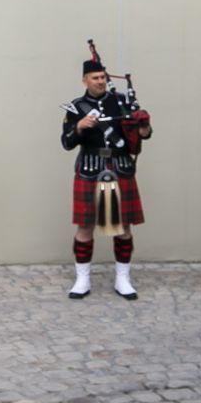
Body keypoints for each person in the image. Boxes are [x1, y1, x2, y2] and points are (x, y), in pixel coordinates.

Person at [61, 58, 152, 299]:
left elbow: (141, 134)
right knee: (85, 226)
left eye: (103, 77)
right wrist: (79, 126)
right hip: (90, 167)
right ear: (85, 81)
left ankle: (123, 279)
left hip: (120, 166)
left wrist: (145, 128)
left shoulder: (122, 102)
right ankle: (82, 279)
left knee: (124, 226)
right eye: (95, 78)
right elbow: (66, 142)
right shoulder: (76, 107)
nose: (100, 81)